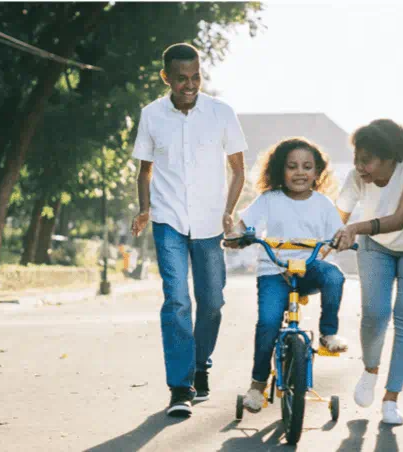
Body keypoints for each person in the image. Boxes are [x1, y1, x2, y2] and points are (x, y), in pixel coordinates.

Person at [130, 43, 247, 418]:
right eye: (181, 78)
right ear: (166, 77)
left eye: (195, 77)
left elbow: (238, 168)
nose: (190, 84)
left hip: (210, 223)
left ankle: (200, 367)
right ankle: (180, 387)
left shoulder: (221, 112)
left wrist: (229, 211)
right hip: (168, 221)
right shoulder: (151, 115)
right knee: (177, 301)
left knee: (212, 303)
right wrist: (145, 209)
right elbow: (145, 170)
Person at [225, 137, 348, 413]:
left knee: (335, 277)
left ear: (317, 173)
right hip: (274, 270)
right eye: (292, 166)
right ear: (281, 170)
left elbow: (338, 233)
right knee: (268, 323)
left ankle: (329, 333)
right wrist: (237, 235)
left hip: (309, 268)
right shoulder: (269, 199)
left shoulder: (323, 204)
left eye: (307, 166)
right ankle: (257, 385)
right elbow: (244, 224)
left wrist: (342, 239)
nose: (300, 172)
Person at [333, 118, 403, 425]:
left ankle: (391, 399)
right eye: (357, 159)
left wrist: (355, 228)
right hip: (376, 247)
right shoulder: (357, 178)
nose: (360, 167)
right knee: (375, 313)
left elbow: (400, 219)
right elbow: (335, 219)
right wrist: (319, 248)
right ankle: (370, 369)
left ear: (390, 157)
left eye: (366, 160)